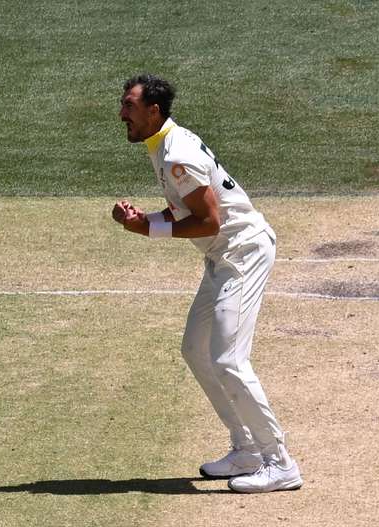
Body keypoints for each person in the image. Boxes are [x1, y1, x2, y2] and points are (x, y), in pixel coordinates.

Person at [111, 74, 301, 493]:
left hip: (243, 253)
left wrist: (146, 230)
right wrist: (141, 221)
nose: (121, 113)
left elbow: (210, 221)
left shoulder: (176, 154)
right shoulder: (163, 146)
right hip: (222, 256)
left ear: (152, 110)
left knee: (228, 359)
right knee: (195, 350)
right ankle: (247, 448)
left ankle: (279, 461)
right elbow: (185, 211)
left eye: (128, 105)